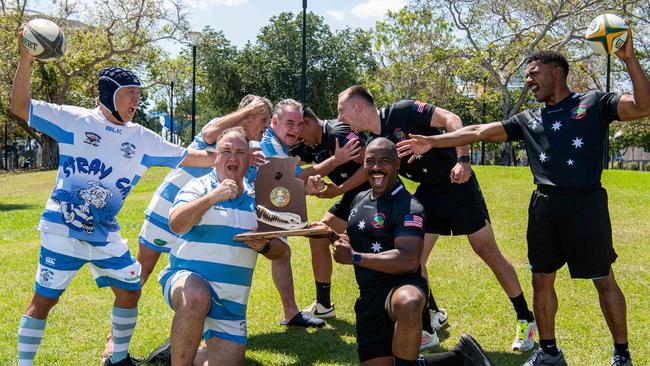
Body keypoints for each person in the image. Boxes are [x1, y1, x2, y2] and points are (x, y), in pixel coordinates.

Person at [396, 31, 650, 366]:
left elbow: (643, 106)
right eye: (527, 75)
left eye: (534, 73)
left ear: (557, 72)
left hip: (586, 204)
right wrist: (434, 142)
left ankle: (621, 354)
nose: (528, 79)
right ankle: (548, 351)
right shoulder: (529, 119)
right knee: (541, 278)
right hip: (544, 204)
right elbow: (477, 132)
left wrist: (628, 58)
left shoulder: (593, 104)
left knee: (603, 279)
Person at [11, 28, 216, 366]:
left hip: (105, 234)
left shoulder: (141, 138)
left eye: (138, 94)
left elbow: (189, 156)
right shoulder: (74, 120)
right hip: (61, 231)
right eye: (129, 94)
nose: (137, 101)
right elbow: (19, 106)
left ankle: (116, 359)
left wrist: (227, 156)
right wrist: (26, 58)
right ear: (108, 94)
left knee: (130, 289)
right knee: (44, 301)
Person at [336, 85, 536, 350]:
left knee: (487, 251)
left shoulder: (403, 110)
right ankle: (427, 328)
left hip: (456, 184)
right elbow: (367, 171)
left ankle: (526, 319)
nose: (339, 118)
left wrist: (462, 160)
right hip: (427, 194)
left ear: (358, 106)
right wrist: (335, 190)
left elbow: (452, 119)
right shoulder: (373, 139)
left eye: (341, 110)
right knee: (414, 259)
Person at [104, 95, 272, 362]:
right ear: (249, 116)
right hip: (169, 212)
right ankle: (114, 345)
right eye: (263, 119)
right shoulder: (216, 137)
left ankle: (182, 347)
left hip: (207, 222)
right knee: (138, 277)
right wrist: (249, 109)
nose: (267, 126)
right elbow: (209, 130)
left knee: (198, 283)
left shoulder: (247, 152)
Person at [332, 137, 494, 366]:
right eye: (370, 161)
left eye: (384, 161)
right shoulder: (360, 198)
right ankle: (460, 357)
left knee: (409, 302)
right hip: (369, 297)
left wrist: (354, 257)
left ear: (397, 164)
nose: (376, 167)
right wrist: (334, 237)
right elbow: (357, 236)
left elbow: (408, 260)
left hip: (400, 286)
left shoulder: (410, 206)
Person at [160, 127, 289, 366]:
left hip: (231, 301)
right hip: (187, 281)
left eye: (240, 152)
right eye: (226, 151)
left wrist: (265, 246)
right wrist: (214, 196)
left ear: (250, 160)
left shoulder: (260, 199)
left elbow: (283, 251)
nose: (233, 157)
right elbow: (176, 223)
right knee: (197, 296)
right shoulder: (198, 187)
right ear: (216, 156)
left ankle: (183, 349)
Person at [255, 99, 361, 328]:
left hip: (367, 196)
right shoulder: (272, 145)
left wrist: (312, 189)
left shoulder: (287, 143)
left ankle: (296, 312)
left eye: (299, 124)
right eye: (290, 123)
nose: (296, 131)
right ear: (275, 122)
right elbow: (295, 177)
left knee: (282, 253)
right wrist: (336, 161)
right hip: (247, 208)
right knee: (240, 264)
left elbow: (371, 165)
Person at [290, 106, 369, 320]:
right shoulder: (311, 143)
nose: (300, 141)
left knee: (384, 247)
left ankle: (428, 309)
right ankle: (324, 305)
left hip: (375, 196)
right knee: (317, 235)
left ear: (307, 122)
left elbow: (372, 164)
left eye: (299, 134)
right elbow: (298, 173)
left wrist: (340, 189)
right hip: (352, 197)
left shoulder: (338, 133)